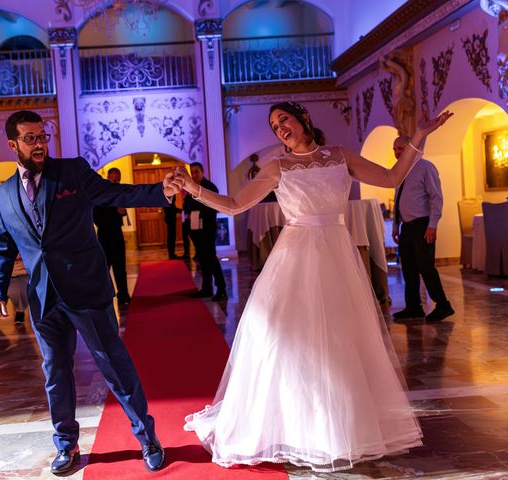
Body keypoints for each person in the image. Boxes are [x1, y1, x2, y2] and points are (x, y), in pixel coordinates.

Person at [178, 101, 452, 472]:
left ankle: (337, 428)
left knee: (339, 342)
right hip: (294, 260)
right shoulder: (278, 167)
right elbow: (232, 205)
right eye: (275, 127)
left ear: (304, 118)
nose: (281, 129)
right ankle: (296, 426)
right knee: (294, 344)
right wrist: (194, 189)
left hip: (337, 256)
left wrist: (419, 136)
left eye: (284, 120)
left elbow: (391, 178)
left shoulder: (340, 156)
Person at [0, 110, 183, 474]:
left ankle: (147, 438)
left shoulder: (72, 172)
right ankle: (66, 445)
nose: (40, 143)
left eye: (43, 136)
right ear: (12, 144)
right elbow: (0, 245)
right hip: (43, 297)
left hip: (86, 288)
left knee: (114, 365)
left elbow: (114, 193)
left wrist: (160, 191)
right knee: (55, 373)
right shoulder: (2, 195)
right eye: (30, 138)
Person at [391, 135, 455, 323]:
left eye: (400, 148)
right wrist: (396, 225)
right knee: (409, 269)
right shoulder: (400, 171)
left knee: (426, 267)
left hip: (422, 225)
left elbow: (436, 198)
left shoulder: (425, 167)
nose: (396, 153)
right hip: (407, 227)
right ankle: (413, 307)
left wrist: (432, 225)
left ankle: (443, 305)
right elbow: (397, 199)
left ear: (412, 147)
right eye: (394, 149)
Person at [183, 162, 227, 301]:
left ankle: (221, 288)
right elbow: (187, 205)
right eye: (193, 172)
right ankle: (207, 288)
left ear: (202, 172)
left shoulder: (210, 187)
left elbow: (213, 206)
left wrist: (199, 213)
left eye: (197, 172)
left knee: (211, 258)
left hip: (207, 228)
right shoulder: (192, 188)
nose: (194, 175)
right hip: (196, 229)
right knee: (202, 259)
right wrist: (191, 212)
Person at [93, 167, 131, 305]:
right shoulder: (100, 194)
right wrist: (115, 212)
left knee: (120, 267)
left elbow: (122, 212)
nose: (116, 181)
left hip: (117, 233)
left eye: (118, 179)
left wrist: (122, 212)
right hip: (104, 235)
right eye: (113, 179)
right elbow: (96, 216)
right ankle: (105, 296)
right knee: (104, 268)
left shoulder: (119, 193)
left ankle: (124, 296)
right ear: (108, 177)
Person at [163, 194, 180, 259]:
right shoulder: (168, 201)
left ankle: (172, 253)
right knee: (171, 237)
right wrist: (180, 210)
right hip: (171, 219)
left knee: (171, 237)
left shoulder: (167, 201)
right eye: (174, 197)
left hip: (170, 219)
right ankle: (171, 254)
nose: (175, 199)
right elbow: (172, 209)